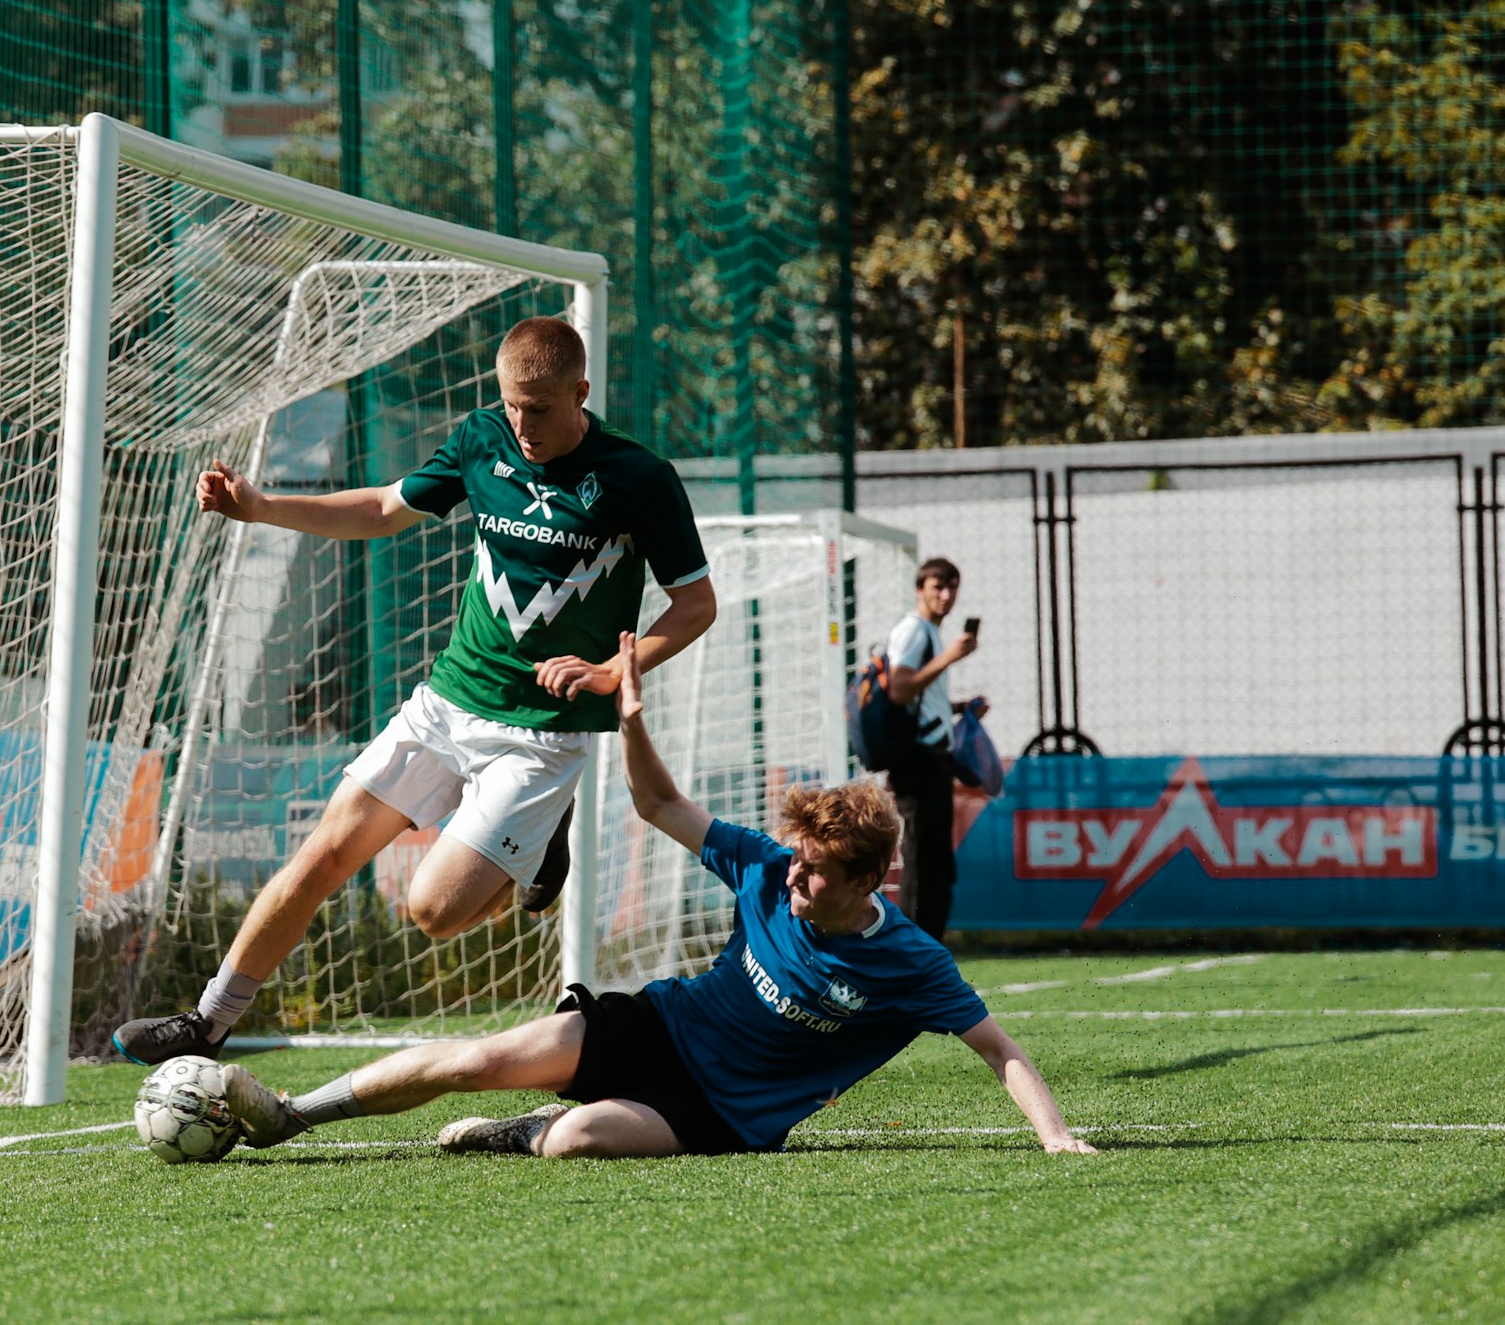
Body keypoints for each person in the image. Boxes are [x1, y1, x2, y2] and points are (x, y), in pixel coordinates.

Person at [215, 631, 1097, 1160]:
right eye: (796, 858)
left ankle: (520, 1130)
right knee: (470, 1060)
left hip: (720, 1113)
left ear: (868, 882)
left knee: (575, 1143)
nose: (795, 874)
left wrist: (1054, 1135)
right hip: (656, 1024)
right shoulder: (761, 866)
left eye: (817, 869)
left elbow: (998, 1049)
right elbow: (660, 804)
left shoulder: (908, 959)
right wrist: (630, 720)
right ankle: (292, 1114)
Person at [113, 317, 717, 1065]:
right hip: (446, 701)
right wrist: (262, 506)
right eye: (511, 405)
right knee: (322, 856)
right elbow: (380, 510)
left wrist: (611, 672)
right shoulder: (482, 440)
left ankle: (535, 842)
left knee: (430, 911)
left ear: (580, 393)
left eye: (540, 407)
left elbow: (696, 605)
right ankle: (207, 1023)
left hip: (541, 734)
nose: (522, 425)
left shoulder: (640, 478)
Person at [884, 556, 986, 942]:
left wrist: (961, 707)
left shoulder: (928, 632)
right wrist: (950, 657)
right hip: (918, 761)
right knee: (925, 865)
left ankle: (923, 951)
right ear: (919, 589)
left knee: (936, 865)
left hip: (931, 760)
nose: (946, 595)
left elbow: (920, 698)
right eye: (937, 587)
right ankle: (915, 952)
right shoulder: (915, 630)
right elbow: (899, 688)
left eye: (952, 586)